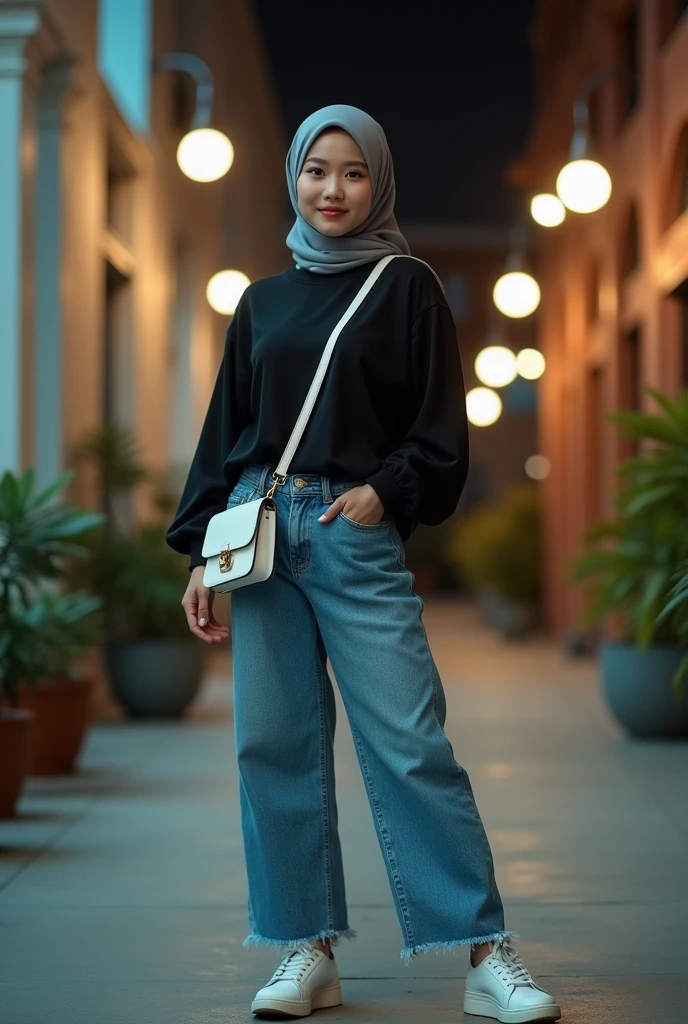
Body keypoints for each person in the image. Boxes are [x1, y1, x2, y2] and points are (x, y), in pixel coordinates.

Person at [166, 104, 561, 1023]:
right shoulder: (261, 302)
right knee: (274, 747)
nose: (331, 189)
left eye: (351, 172)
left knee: (411, 744)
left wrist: (386, 492)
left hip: (350, 527)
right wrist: (199, 549)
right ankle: (306, 950)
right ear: (295, 178)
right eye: (316, 170)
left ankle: (484, 952)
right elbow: (227, 433)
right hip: (259, 535)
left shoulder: (406, 284)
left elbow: (439, 426)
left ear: (377, 181)